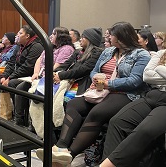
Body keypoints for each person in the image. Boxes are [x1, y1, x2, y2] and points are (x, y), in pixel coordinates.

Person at [36, 22, 151, 165]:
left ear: (121, 36)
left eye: (111, 35)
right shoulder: (109, 51)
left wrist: (109, 83)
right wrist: (96, 78)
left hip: (125, 93)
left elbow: (135, 81)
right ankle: (61, 147)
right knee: (73, 105)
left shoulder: (141, 54)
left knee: (96, 113)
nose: (108, 37)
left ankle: (70, 154)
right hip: (100, 90)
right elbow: (94, 70)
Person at [30, 27, 103, 138]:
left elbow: (82, 70)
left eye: (83, 37)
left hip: (80, 83)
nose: (81, 39)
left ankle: (56, 134)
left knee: (61, 101)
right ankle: (42, 130)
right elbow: (66, 64)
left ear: (90, 40)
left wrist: (61, 75)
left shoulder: (96, 53)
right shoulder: (78, 52)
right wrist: (54, 73)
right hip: (67, 79)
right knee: (40, 95)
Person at [100, 49, 166, 167]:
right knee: (117, 122)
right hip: (152, 96)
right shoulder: (161, 52)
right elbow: (146, 75)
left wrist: (158, 69)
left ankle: (106, 165)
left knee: (146, 130)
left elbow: (144, 76)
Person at [17, 27, 75, 127]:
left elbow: (57, 66)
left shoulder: (67, 49)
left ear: (61, 37)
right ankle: (19, 120)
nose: (51, 36)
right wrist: (36, 73)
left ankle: (36, 126)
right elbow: (39, 60)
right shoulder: (51, 47)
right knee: (20, 88)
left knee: (34, 94)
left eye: (54, 34)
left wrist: (42, 76)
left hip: (52, 78)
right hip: (40, 76)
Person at [0, 25, 44, 125]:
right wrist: (4, 76)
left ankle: (20, 117)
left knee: (12, 83)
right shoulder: (19, 46)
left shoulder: (36, 46)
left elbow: (27, 67)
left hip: (30, 76)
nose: (17, 35)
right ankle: (16, 113)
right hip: (20, 74)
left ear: (27, 36)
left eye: (20, 33)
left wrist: (10, 77)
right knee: (2, 79)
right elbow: (12, 63)